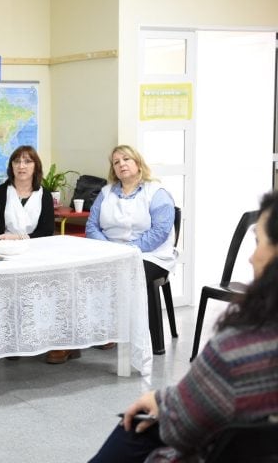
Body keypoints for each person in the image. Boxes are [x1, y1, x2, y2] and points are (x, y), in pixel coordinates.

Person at [89, 190, 278, 463]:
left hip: (144, 256)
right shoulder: (106, 194)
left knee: (133, 429)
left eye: (259, 242)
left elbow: (182, 425)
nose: (250, 257)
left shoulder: (238, 352)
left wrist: (162, 401)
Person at [85, 144, 176, 357]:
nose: (121, 164)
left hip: (150, 255)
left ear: (137, 162)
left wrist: (127, 250)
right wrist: (109, 249)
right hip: (109, 251)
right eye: (116, 162)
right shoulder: (106, 193)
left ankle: (149, 340)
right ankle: (103, 332)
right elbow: (91, 226)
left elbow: (160, 232)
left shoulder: (157, 192)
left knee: (132, 273)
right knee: (84, 272)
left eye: (126, 159)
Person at [0, 145, 55, 243]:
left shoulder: (45, 196)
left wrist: (18, 238)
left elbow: (46, 231)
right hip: (2, 249)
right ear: (11, 166)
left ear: (36, 166)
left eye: (27, 161)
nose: (21, 166)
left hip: (34, 249)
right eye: (17, 161)